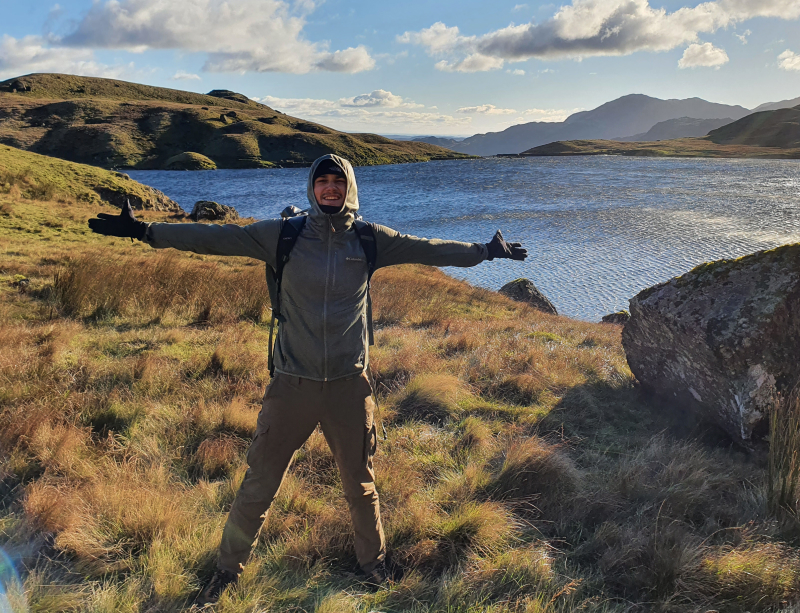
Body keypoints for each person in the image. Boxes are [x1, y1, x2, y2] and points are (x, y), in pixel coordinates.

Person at [87, 154, 527, 603]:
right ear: (312, 188)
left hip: (349, 387)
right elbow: (215, 238)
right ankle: (227, 571)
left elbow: (430, 248)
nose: (331, 188)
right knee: (260, 482)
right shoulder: (282, 235)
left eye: (339, 181)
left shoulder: (370, 239)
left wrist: (486, 251)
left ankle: (373, 565)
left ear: (350, 187)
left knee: (360, 482)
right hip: (291, 387)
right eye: (323, 181)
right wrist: (146, 232)